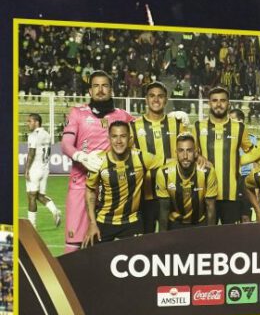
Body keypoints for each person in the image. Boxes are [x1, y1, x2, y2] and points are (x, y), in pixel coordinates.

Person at [61, 71, 134, 252]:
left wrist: (176, 119)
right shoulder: (78, 113)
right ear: (90, 91)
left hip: (110, 191)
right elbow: (66, 144)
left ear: (111, 89)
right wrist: (82, 157)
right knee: (74, 244)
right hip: (80, 186)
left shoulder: (123, 116)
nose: (100, 90)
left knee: (105, 245)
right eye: (96, 86)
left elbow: (148, 128)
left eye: (105, 86)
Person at [82, 121, 163, 246]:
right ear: (109, 138)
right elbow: (90, 191)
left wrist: (197, 157)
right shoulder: (98, 161)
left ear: (129, 138)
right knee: (91, 261)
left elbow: (168, 162)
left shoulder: (141, 157)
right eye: (114, 136)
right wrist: (92, 223)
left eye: (123, 136)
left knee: (139, 261)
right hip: (104, 221)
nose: (118, 141)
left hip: (132, 222)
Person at [129, 82, 190, 234]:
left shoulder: (177, 124)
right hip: (144, 195)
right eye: (152, 96)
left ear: (166, 100)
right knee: (145, 242)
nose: (156, 100)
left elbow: (188, 153)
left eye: (160, 96)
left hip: (172, 194)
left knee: (171, 242)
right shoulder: (133, 126)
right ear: (146, 99)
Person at [192, 87, 253, 224]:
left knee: (230, 240)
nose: (218, 104)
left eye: (222, 100)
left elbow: (251, 151)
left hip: (231, 195)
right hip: (204, 193)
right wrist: (197, 156)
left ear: (229, 104)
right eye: (214, 100)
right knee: (205, 238)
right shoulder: (198, 126)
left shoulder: (239, 127)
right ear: (209, 103)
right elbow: (189, 153)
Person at [156, 134, 218, 230]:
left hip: (200, 223)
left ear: (196, 152)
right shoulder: (164, 173)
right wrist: (162, 238)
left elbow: (210, 207)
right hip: (175, 223)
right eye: (181, 151)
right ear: (176, 152)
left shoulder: (208, 172)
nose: (185, 156)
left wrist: (211, 234)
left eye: (189, 150)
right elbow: (164, 210)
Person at [24, 114, 61, 228]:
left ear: (36, 122)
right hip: (45, 168)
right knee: (39, 196)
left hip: (35, 169)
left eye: (30, 121)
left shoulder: (33, 136)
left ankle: (32, 225)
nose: (28, 123)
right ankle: (55, 211)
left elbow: (31, 153)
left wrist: (26, 169)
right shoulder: (47, 134)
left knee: (31, 196)